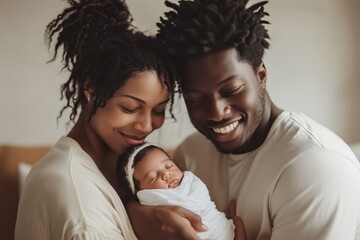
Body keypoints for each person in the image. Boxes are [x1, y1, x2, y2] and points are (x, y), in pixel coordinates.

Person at [126, 0, 360, 239]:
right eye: (196, 100)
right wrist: (138, 215)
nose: (217, 113)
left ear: (261, 75)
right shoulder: (191, 154)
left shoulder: (315, 171)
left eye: (231, 90)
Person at [14, 0, 180, 239]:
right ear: (91, 89)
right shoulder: (81, 206)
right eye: (130, 107)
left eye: (158, 110)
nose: (146, 126)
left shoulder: (118, 169)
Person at [116, 142, 246, 240]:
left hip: (223, 229)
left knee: (238, 222)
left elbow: (205, 203)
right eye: (152, 177)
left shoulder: (189, 180)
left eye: (169, 166)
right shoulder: (151, 201)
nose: (166, 174)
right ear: (139, 191)